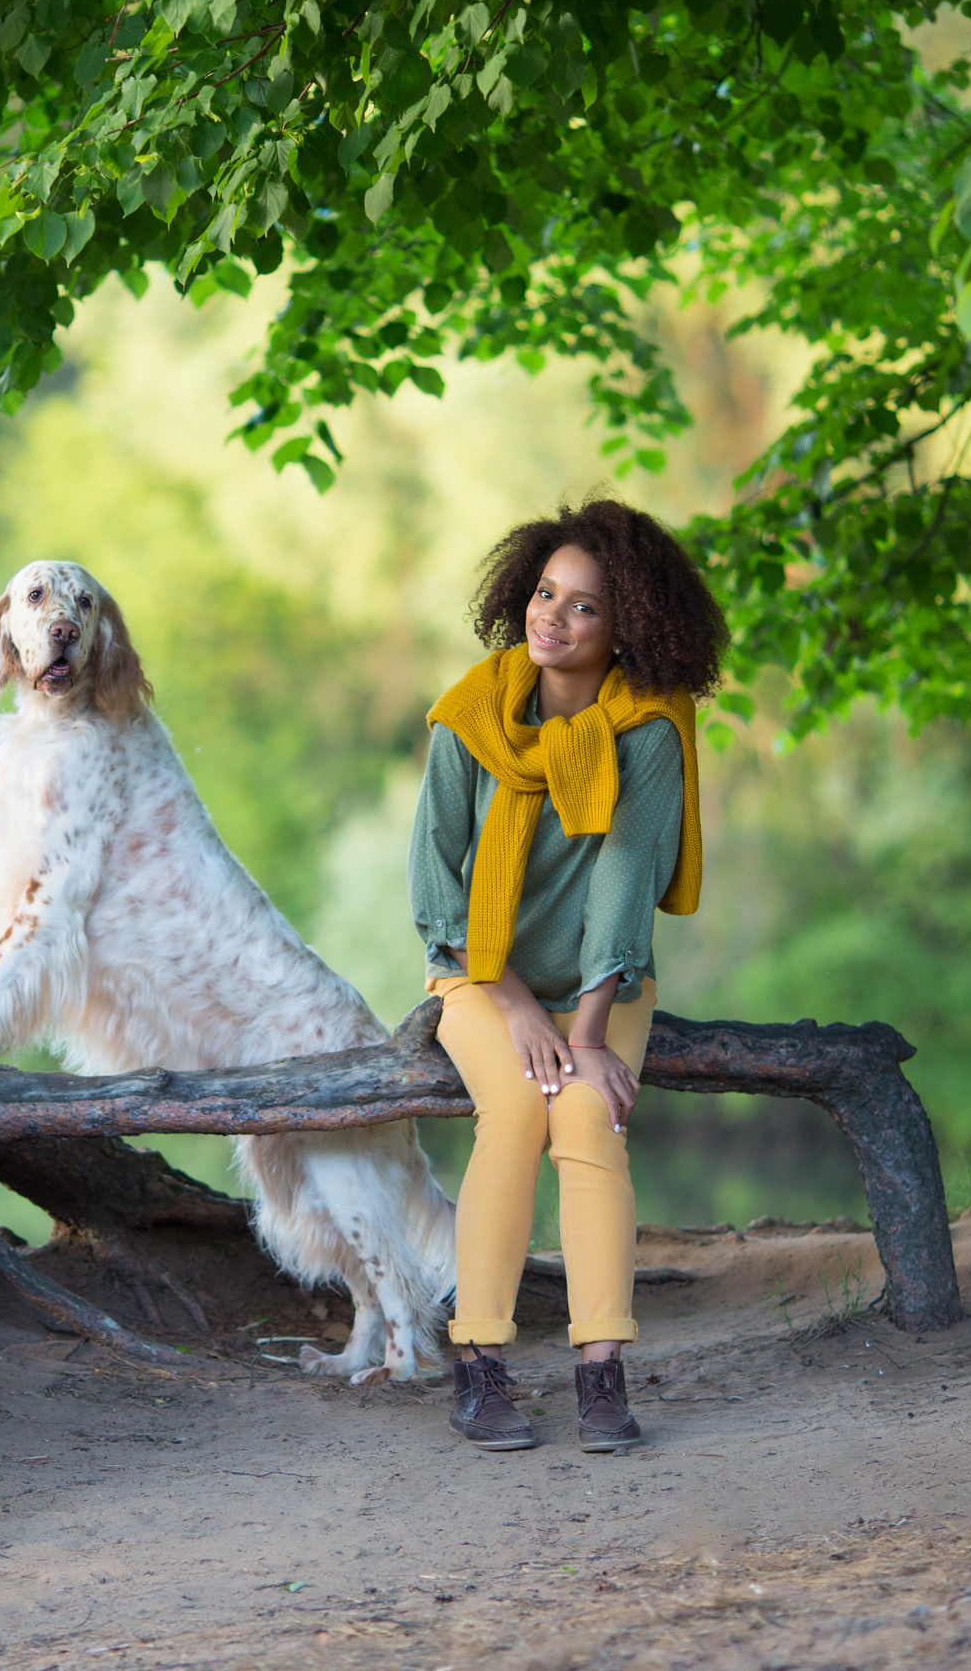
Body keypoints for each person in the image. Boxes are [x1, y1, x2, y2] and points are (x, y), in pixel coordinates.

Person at [409, 499, 728, 1452]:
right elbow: (435, 888)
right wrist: (513, 1007)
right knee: (513, 1112)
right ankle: (479, 1362)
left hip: (603, 987)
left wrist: (583, 1036)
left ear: (629, 624)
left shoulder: (650, 731)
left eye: (584, 606)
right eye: (545, 592)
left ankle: (600, 1371)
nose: (553, 616)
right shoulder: (472, 715)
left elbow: (627, 886)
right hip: (479, 977)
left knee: (586, 1114)